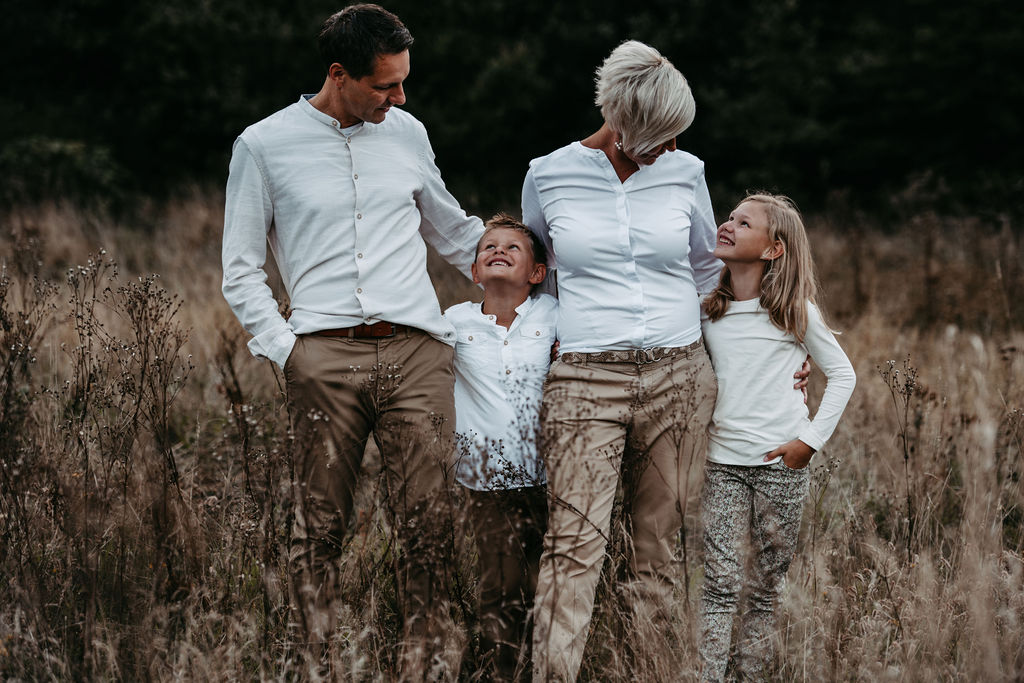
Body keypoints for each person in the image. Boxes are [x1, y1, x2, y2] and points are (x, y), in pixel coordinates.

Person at [220, 4, 483, 676]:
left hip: (419, 350)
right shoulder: (262, 145)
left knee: (429, 520)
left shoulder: (408, 133)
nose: (400, 97)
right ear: (338, 73)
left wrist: (545, 270)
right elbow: (241, 270)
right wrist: (289, 351)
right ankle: (316, 661)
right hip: (322, 357)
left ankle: (424, 659)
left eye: (403, 82)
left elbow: (452, 232)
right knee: (318, 527)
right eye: (386, 86)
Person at [520, 40, 721, 682]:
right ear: (621, 119)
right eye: (657, 137)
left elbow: (707, 266)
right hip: (584, 379)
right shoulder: (548, 173)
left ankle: (649, 673)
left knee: (659, 553)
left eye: (673, 138)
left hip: (679, 376)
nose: (667, 150)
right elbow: (541, 276)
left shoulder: (687, 172)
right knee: (574, 546)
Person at [698, 193, 856, 681]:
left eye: (743, 223)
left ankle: (749, 676)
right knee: (719, 584)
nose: (727, 225)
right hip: (720, 464)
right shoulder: (706, 311)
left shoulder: (793, 312)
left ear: (774, 249)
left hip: (778, 466)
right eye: (728, 217)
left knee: (764, 587)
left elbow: (843, 375)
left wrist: (807, 443)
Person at [444, 213, 557, 681]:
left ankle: (548, 664)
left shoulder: (555, 316)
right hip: (485, 478)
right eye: (488, 247)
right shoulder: (454, 321)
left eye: (513, 248)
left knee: (546, 581)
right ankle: (499, 670)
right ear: (474, 272)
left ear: (537, 273)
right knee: (501, 583)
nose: (498, 252)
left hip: (553, 476)